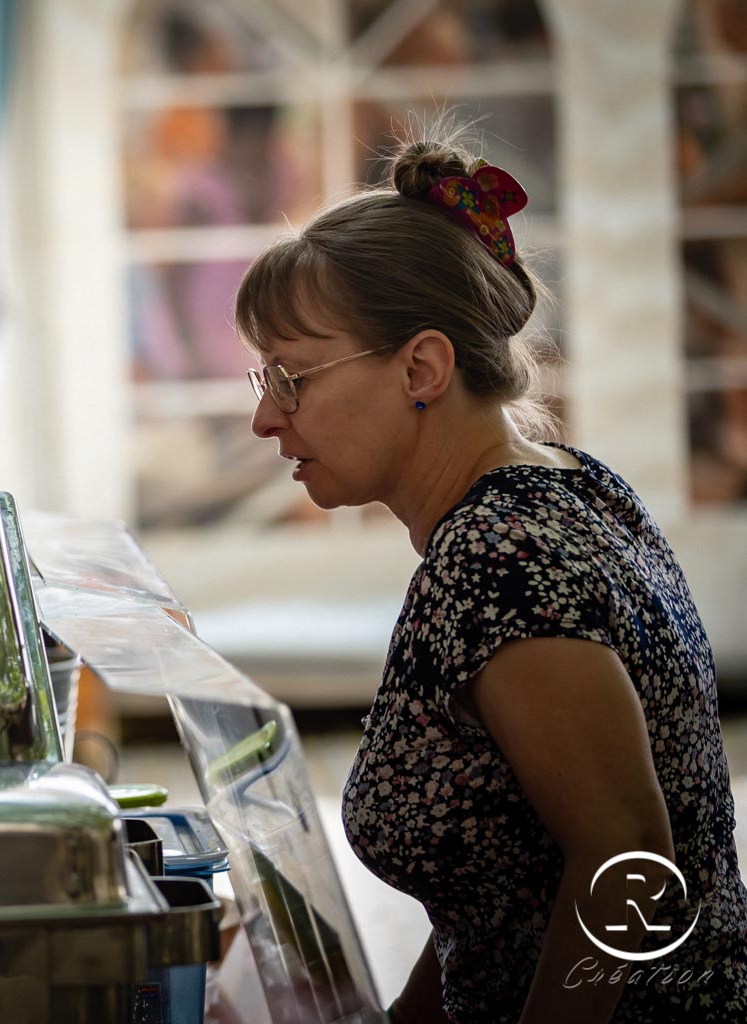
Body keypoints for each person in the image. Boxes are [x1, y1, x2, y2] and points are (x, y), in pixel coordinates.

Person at [235, 133, 747, 1023]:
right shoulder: (567, 486)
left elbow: (625, 856)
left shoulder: (499, 556)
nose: (263, 417)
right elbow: (502, 879)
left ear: (422, 369)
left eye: (290, 377)